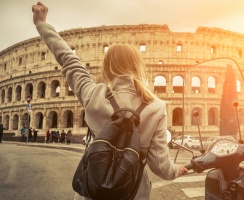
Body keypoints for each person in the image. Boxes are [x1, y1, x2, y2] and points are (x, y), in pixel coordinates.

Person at [32, 2, 188, 199]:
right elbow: (160, 166)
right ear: (138, 66)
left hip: (93, 188)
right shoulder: (156, 107)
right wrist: (177, 170)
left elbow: (68, 59)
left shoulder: (93, 94)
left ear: (107, 68)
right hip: (132, 192)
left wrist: (41, 24)